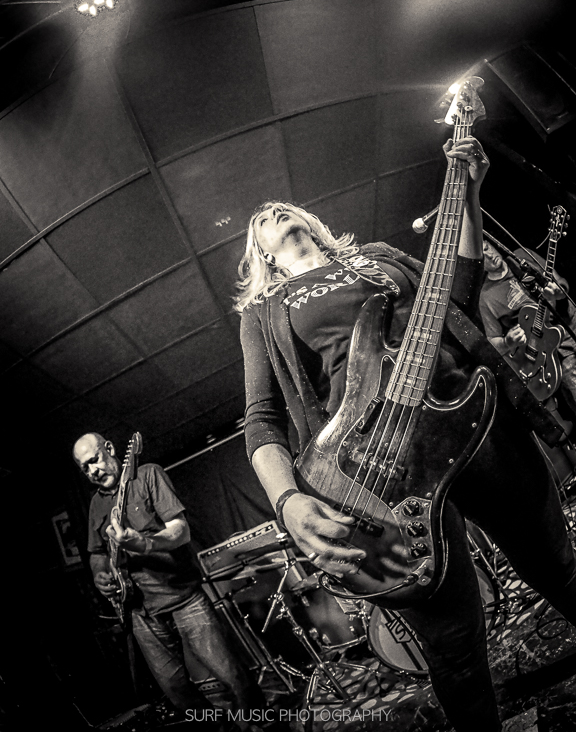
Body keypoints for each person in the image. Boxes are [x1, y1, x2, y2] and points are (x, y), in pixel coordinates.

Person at [235, 137, 576, 732]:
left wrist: (468, 193)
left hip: (478, 426)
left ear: (311, 221)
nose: (273, 210)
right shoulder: (265, 312)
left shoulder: (374, 257)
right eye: (262, 218)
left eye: (282, 206)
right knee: (454, 647)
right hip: (381, 475)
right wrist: (287, 501)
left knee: (561, 569)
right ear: (261, 253)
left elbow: (458, 296)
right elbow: (262, 418)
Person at [73, 432, 265, 730]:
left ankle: (260, 722)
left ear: (109, 448)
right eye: (84, 468)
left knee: (231, 673)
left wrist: (145, 544)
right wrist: (100, 574)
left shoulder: (148, 475)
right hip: (139, 610)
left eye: (94, 460)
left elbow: (180, 531)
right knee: (176, 691)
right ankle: (222, 726)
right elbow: (96, 553)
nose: (92, 471)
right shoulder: (96, 505)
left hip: (182, 596)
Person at [480, 239, 576, 416]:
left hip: (570, 320)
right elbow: (492, 340)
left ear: (492, 244)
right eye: (483, 255)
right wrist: (507, 342)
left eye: (487, 248)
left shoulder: (521, 256)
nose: (490, 256)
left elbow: (561, 282)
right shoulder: (486, 297)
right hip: (553, 350)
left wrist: (558, 292)